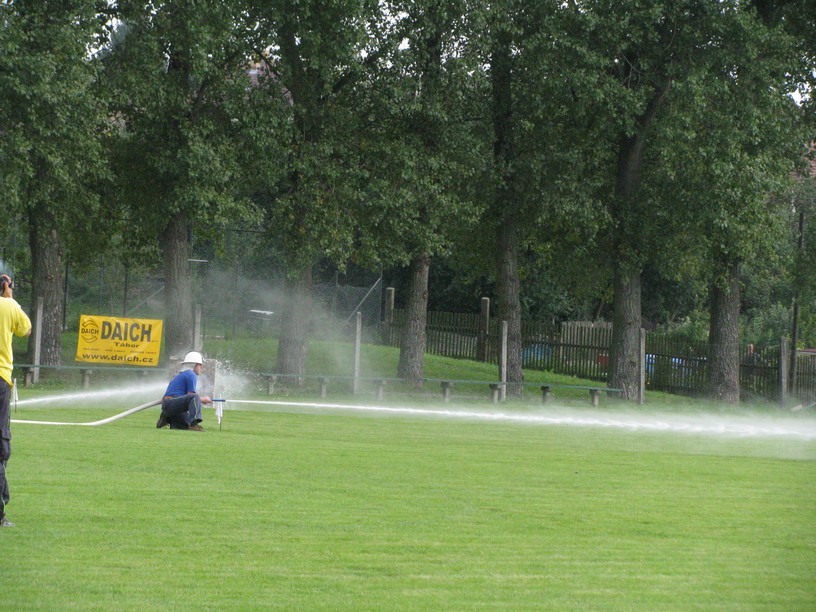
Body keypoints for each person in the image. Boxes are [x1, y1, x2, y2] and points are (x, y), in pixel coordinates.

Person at [0, 274, 32, 528]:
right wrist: (10, 298)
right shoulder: (8, 305)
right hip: (0, 379)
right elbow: (26, 329)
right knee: (1, 445)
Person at [157, 351, 211, 431]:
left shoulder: (181, 375)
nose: (201, 367)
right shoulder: (191, 374)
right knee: (194, 396)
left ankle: (166, 417)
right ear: (194, 365)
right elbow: (191, 395)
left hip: (171, 406)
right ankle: (194, 423)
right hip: (172, 403)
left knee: (184, 426)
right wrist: (204, 400)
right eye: (200, 365)